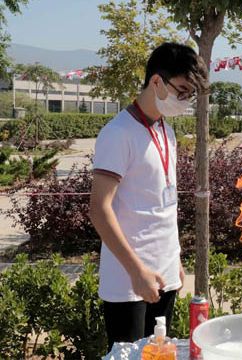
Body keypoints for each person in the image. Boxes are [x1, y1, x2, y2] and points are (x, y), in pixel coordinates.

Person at [89, 42, 208, 349]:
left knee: (159, 353)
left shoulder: (165, 131)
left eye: (190, 95)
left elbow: (163, 203)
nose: (185, 100)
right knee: (129, 355)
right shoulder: (119, 133)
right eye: (181, 91)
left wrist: (175, 258)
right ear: (156, 81)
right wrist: (136, 270)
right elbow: (99, 210)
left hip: (164, 273)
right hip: (129, 280)